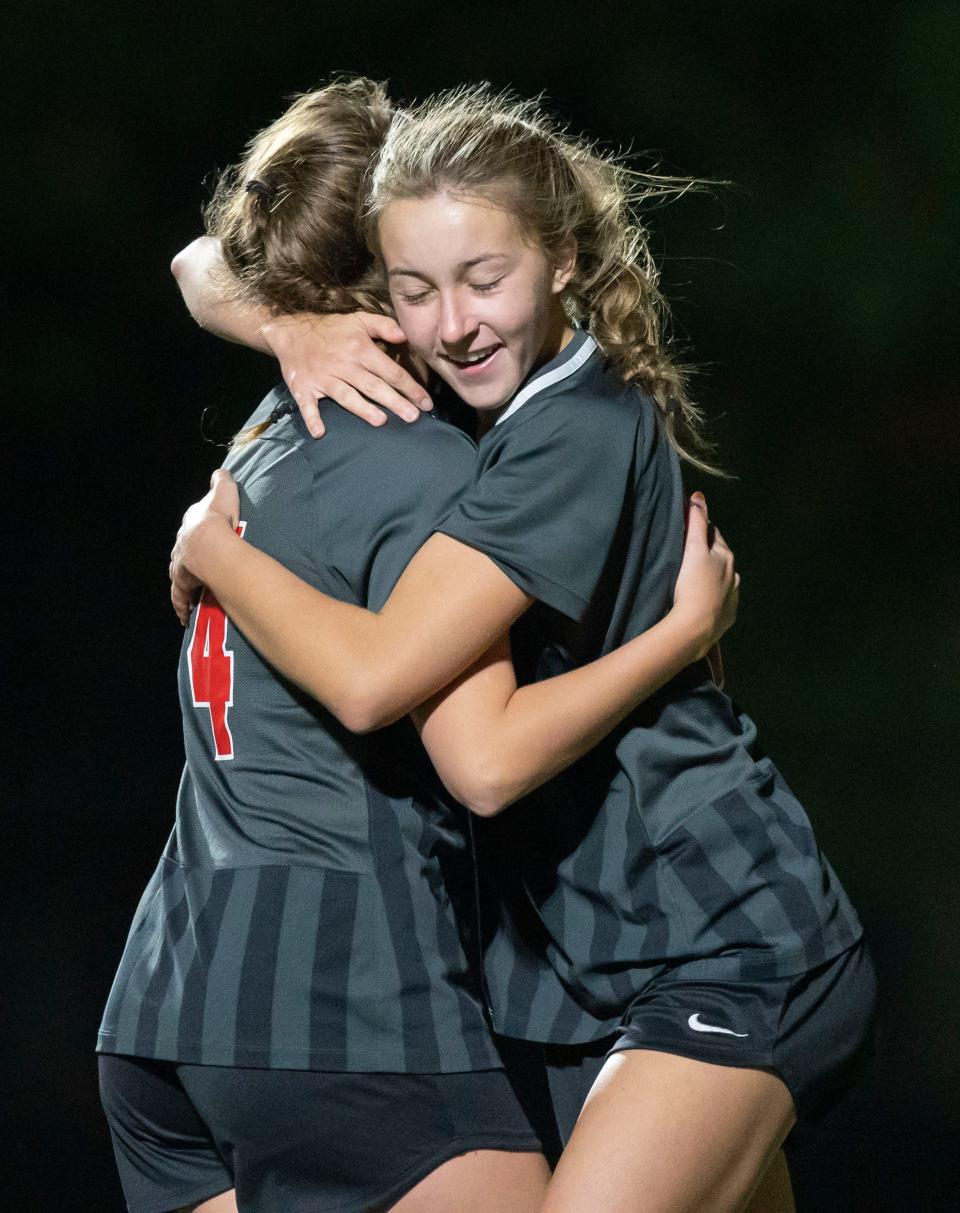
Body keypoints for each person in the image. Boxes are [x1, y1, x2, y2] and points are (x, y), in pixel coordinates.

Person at [171, 86, 875, 1212]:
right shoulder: (456, 403)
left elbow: (473, 755)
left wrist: (214, 545)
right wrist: (285, 324)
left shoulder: (572, 428)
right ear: (380, 291)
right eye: (416, 289)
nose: (454, 321)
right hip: (569, 975)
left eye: (484, 279)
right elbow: (203, 257)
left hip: (723, 937)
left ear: (556, 259)